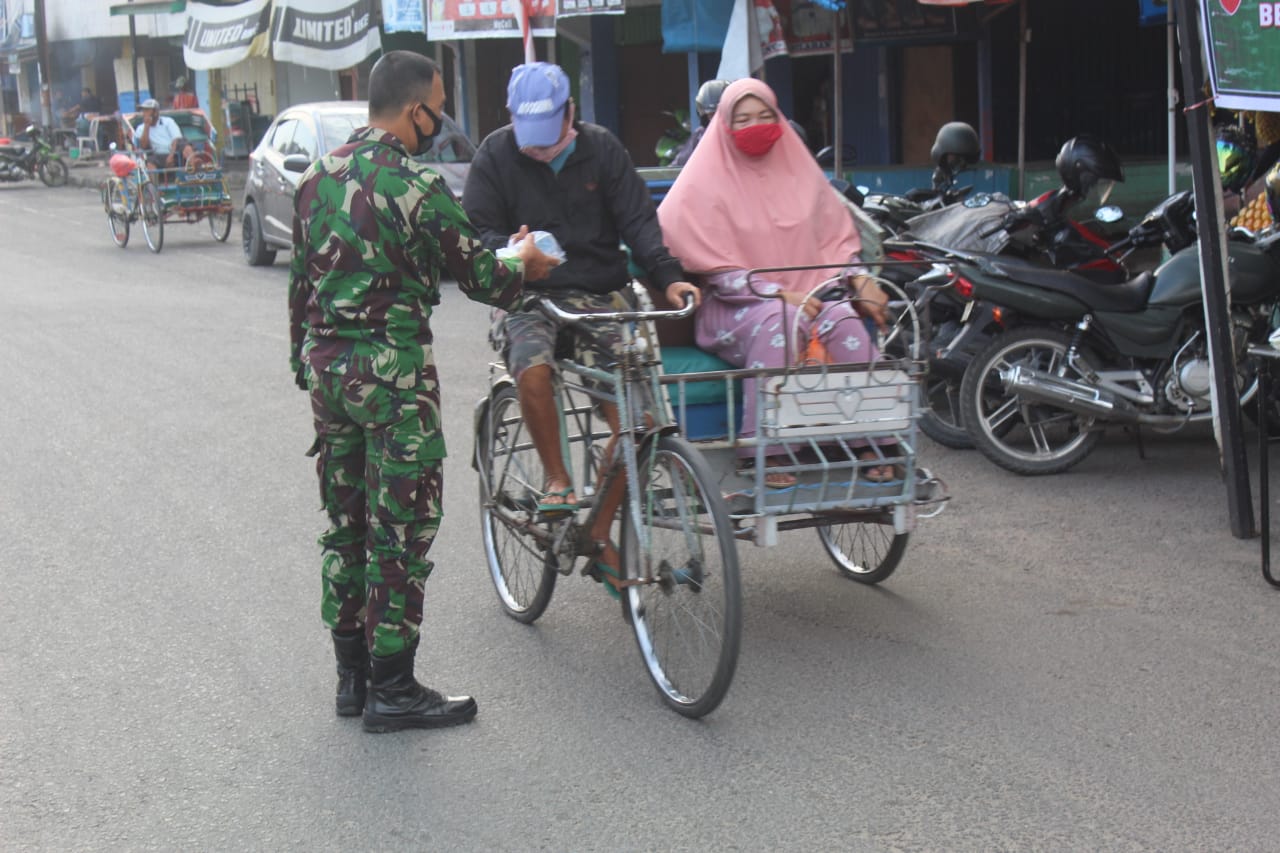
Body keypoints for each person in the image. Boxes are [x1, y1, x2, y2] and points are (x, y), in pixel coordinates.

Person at [288, 51, 559, 733]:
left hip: (330, 376)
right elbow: (483, 278)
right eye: (437, 107)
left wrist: (307, 366)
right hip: (395, 382)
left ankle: (352, 679)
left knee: (344, 527)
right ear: (416, 111)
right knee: (398, 534)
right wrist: (525, 262)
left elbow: (301, 288)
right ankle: (395, 688)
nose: (440, 121)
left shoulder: (315, 179)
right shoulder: (417, 185)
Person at [463, 62, 698, 595]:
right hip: (524, 293)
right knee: (532, 364)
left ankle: (595, 533)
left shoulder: (603, 150)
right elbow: (477, 236)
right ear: (512, 121)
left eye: (550, 137)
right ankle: (558, 478)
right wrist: (511, 254)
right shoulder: (494, 158)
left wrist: (669, 278)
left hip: (596, 294)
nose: (541, 150)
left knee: (639, 421)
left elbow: (639, 221)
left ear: (572, 112)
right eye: (532, 140)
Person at [657, 78, 892, 488]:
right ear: (723, 125)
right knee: (782, 322)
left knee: (848, 323)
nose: (756, 126)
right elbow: (713, 268)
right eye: (743, 119)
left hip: (816, 294)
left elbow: (833, 240)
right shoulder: (703, 182)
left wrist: (860, 279)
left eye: (766, 116)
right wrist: (778, 292)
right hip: (734, 308)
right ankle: (765, 450)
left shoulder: (803, 174)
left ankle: (872, 439)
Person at [672, 79, 730, 168]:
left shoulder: (740, 135)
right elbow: (676, 169)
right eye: (711, 115)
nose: (716, 119)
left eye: (720, 113)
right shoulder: (700, 136)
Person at [132, 98, 193, 174]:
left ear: (155, 112)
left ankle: (194, 163)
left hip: (175, 153)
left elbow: (176, 139)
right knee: (150, 162)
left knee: (183, 142)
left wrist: (171, 156)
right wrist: (147, 126)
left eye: (147, 111)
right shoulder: (141, 128)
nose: (144, 113)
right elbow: (143, 146)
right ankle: (153, 184)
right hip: (157, 156)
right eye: (144, 111)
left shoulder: (168, 121)